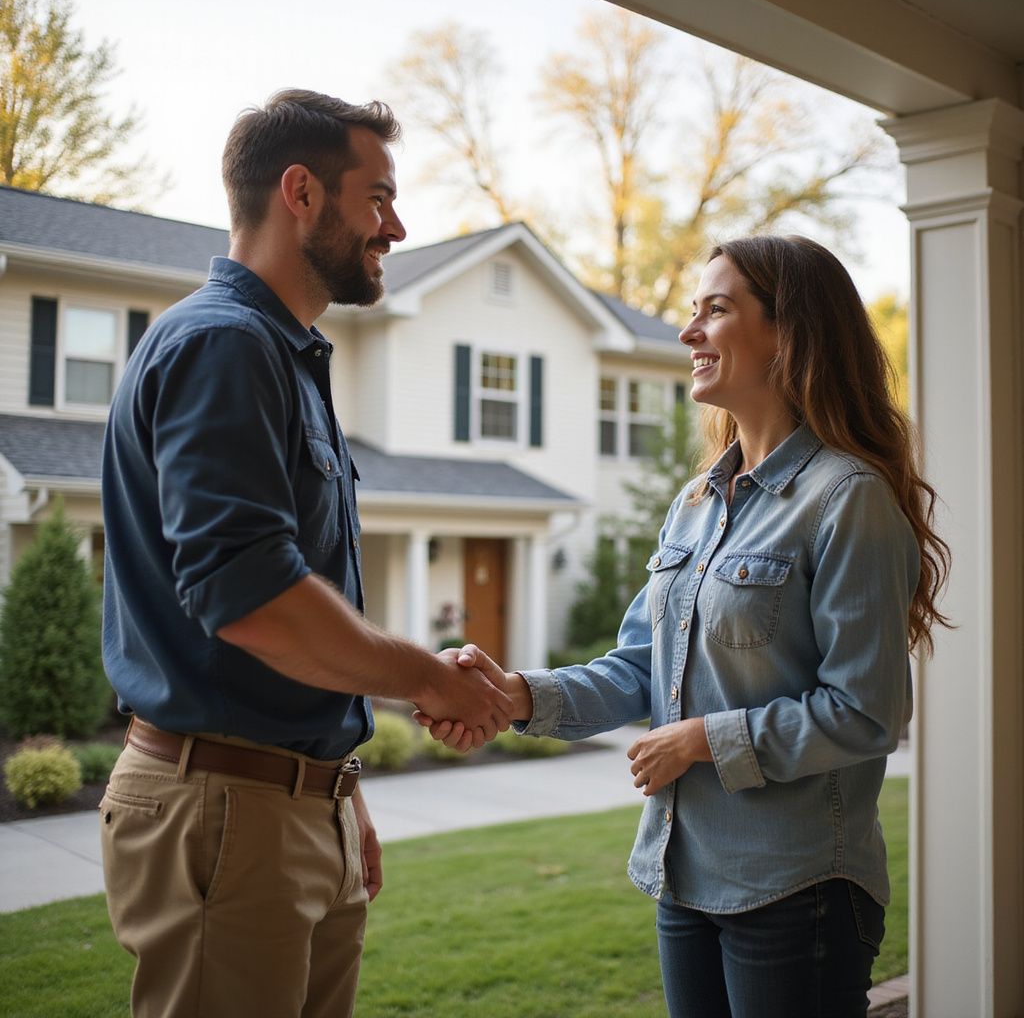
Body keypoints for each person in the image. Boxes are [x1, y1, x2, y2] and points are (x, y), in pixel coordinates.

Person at [421, 235, 950, 1017]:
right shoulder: (699, 501)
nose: (688, 331)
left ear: (788, 333)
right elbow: (639, 665)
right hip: (684, 870)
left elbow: (867, 713)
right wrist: (516, 694)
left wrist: (704, 739)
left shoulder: (847, 499)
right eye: (691, 311)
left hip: (796, 884)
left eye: (716, 309)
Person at [100, 89, 512, 1018]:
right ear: (301, 193)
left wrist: (334, 781)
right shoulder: (224, 346)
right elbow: (251, 595)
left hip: (287, 801)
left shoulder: (284, 354)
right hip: (224, 811)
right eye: (378, 198)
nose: (396, 226)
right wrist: (425, 678)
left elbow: (287, 603)